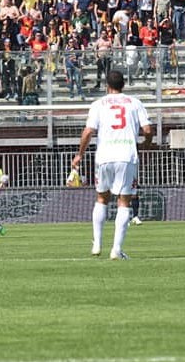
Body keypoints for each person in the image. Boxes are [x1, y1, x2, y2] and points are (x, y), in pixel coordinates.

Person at [72, 70, 153, 260]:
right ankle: (116, 249)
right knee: (124, 202)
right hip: (126, 156)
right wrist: (146, 144)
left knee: (101, 198)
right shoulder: (135, 103)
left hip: (104, 156)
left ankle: (97, 243)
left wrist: (79, 154)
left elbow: (88, 132)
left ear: (107, 85)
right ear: (123, 85)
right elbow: (148, 129)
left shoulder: (98, 104)